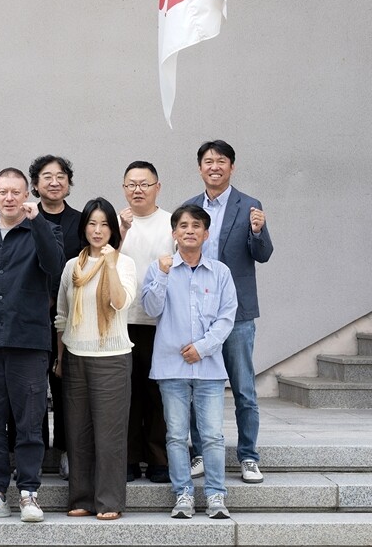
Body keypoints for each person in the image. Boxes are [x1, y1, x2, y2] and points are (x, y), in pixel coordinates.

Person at [0, 168, 64, 523]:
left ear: (26, 195)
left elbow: (54, 265)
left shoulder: (43, 230)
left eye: (15, 192)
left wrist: (38, 223)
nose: (9, 198)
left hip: (29, 344)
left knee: (29, 423)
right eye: (2, 191)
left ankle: (29, 492)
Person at [184, 140, 274, 484]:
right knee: (198, 388)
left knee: (243, 389)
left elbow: (262, 254)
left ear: (231, 167)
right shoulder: (190, 208)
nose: (214, 167)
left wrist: (258, 231)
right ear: (200, 168)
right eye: (208, 161)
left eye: (221, 161)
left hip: (237, 314)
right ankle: (199, 454)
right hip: (198, 314)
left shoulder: (250, 206)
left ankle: (249, 456)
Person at [141, 205, 237, 519]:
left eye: (196, 226)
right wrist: (163, 275)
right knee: (175, 435)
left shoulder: (220, 272)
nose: (190, 231)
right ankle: (182, 494)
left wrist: (203, 348)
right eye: (183, 226)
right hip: (171, 367)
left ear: (206, 234)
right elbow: (151, 309)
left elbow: (226, 318)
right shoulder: (160, 268)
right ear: (174, 233)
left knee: (212, 436)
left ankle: (216, 495)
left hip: (209, 368)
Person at [54, 197, 136, 521]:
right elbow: (62, 317)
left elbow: (120, 302)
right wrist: (60, 359)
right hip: (76, 357)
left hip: (112, 359)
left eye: (104, 224)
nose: (98, 230)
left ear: (113, 229)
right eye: (92, 223)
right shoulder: (71, 267)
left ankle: (109, 501)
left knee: (109, 435)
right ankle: (82, 498)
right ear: (84, 227)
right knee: (78, 433)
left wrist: (110, 265)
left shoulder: (124, 263)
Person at [27, 154, 83, 480]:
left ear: (69, 183)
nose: (54, 181)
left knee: (66, 386)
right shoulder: (25, 217)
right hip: (32, 316)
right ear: (35, 185)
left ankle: (65, 450)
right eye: (47, 176)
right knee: (32, 387)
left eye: (61, 176)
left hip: (72, 316)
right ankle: (34, 450)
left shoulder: (82, 220)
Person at [118, 161, 174, 484]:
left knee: (157, 394)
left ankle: (158, 460)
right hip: (121, 322)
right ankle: (127, 458)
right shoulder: (115, 223)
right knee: (126, 394)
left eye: (144, 184)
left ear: (157, 187)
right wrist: (121, 232)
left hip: (160, 323)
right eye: (131, 184)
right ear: (124, 188)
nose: (137, 190)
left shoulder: (171, 223)